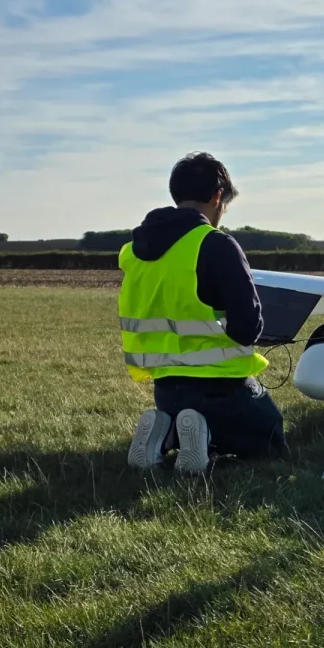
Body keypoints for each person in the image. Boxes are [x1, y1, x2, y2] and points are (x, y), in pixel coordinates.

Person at [119, 152, 286, 474]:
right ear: (218, 195)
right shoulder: (215, 243)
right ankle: (204, 439)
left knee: (186, 413)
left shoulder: (132, 252)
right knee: (271, 441)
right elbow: (246, 328)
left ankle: (166, 432)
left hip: (165, 388)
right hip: (220, 386)